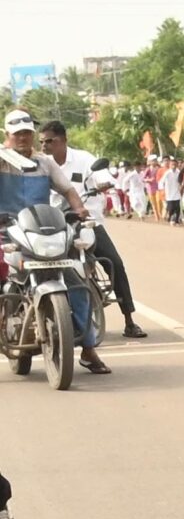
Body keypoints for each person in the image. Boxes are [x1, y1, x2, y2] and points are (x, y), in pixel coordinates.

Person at [0, 111, 108, 372]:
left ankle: (89, 349)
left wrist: (80, 209)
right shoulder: (2, 161)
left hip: (42, 231)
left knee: (76, 279)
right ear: (8, 136)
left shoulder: (45, 163)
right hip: (6, 231)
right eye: (18, 134)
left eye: (27, 132)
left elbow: (68, 190)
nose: (23, 138)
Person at [39, 122, 144, 339]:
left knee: (114, 263)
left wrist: (104, 183)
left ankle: (129, 320)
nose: (44, 146)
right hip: (55, 227)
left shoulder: (84, 158)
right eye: (41, 142)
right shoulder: (42, 164)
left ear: (64, 140)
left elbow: (104, 176)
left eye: (50, 141)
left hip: (88, 223)